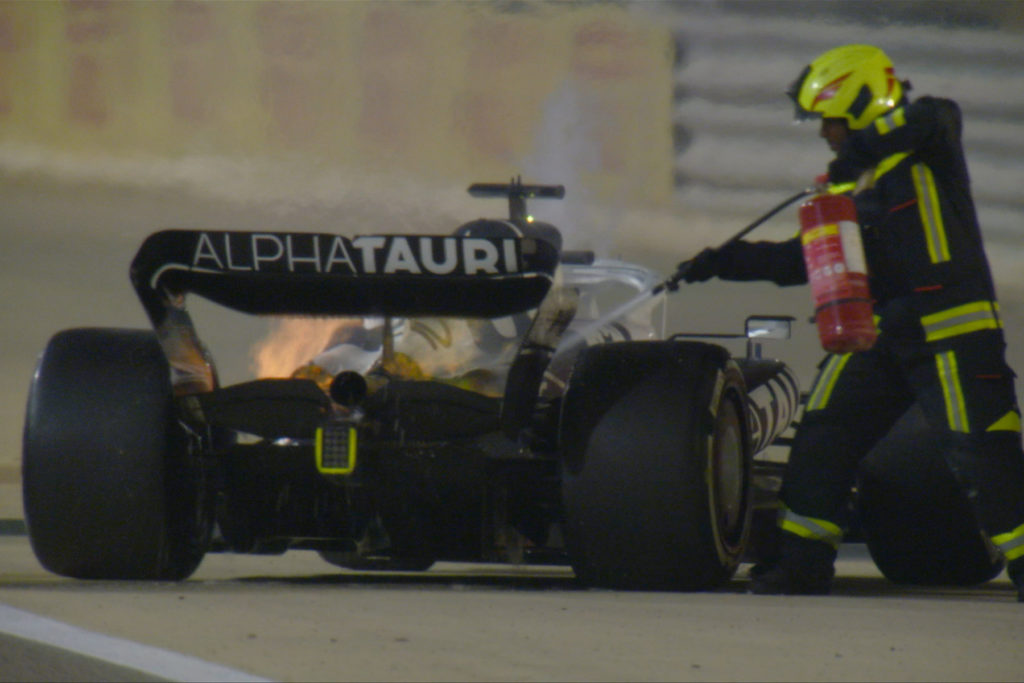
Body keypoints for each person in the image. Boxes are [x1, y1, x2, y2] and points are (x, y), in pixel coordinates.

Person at [681, 44, 1024, 598]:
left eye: (829, 119)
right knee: (825, 435)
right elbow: (805, 261)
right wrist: (723, 263)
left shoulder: (928, 143)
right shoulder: (850, 186)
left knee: (981, 451)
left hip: (952, 329)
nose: (823, 133)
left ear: (860, 104)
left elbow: (936, 112)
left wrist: (861, 150)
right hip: (882, 330)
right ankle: (803, 564)